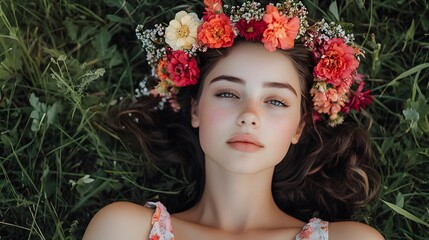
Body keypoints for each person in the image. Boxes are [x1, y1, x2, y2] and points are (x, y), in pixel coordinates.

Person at [83, 1, 383, 239]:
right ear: (196, 109)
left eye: (276, 101)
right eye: (227, 93)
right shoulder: (125, 230)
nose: (249, 116)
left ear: (299, 126)